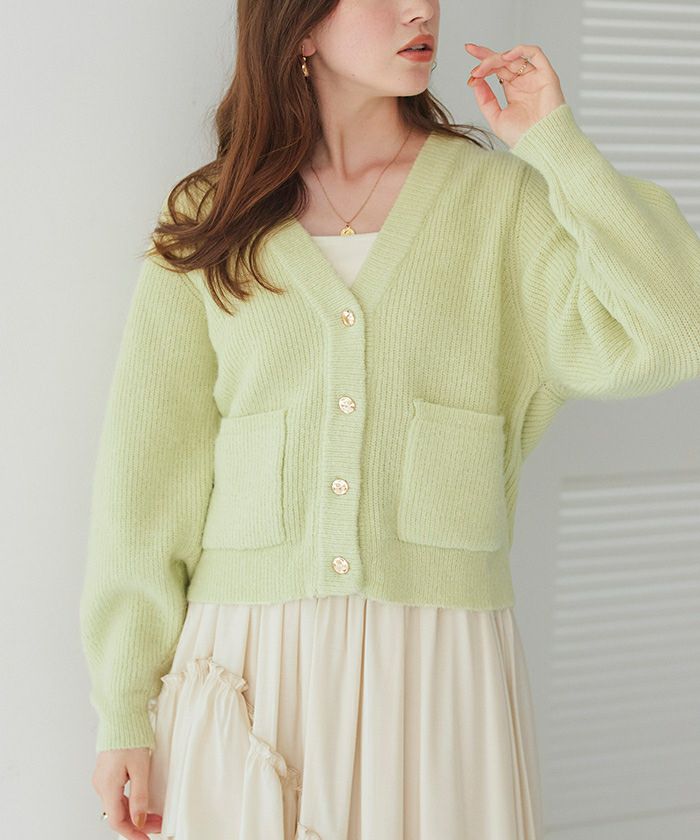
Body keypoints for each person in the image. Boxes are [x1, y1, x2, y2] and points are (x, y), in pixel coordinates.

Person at [80, 1, 700, 839]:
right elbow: (146, 482)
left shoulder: (499, 202)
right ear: (300, 26)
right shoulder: (211, 216)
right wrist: (124, 709)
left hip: (438, 670)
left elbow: (678, 327)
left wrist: (556, 146)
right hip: (251, 666)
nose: (421, 9)